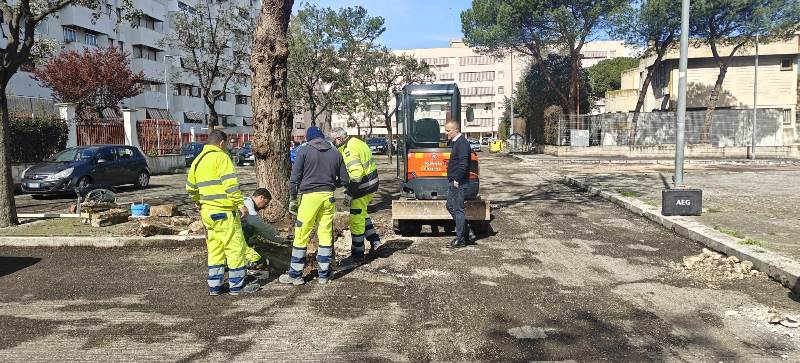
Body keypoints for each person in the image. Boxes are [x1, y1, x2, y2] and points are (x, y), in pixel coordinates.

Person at [186, 129, 261, 296]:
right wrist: (240, 204)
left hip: (208, 213)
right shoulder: (221, 157)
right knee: (234, 248)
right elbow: (230, 185)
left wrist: (200, 201)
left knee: (215, 250)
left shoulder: (197, 160)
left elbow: (190, 188)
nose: (226, 147)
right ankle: (237, 286)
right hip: (225, 212)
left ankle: (215, 287)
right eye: (226, 144)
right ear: (221, 143)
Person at [279, 126, 349, 285]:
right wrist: (331, 183)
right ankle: (324, 275)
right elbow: (345, 180)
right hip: (328, 198)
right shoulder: (335, 152)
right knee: (325, 234)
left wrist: (293, 199)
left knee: (302, 234)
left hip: (309, 198)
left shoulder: (304, 151)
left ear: (309, 138)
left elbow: (294, 178)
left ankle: (295, 275)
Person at [330, 127, 381, 266]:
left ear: (339, 139)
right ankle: (375, 241)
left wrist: (350, 194)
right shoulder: (356, 142)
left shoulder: (348, 149)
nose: (334, 144)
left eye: (333, 141)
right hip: (371, 185)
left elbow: (356, 174)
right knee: (363, 213)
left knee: (356, 219)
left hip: (362, 189)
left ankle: (357, 253)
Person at [241, 188, 286, 274]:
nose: (265, 207)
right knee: (249, 227)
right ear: (261, 197)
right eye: (265, 203)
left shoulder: (247, 203)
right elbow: (256, 224)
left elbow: (260, 229)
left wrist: (279, 240)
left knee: (251, 228)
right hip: (231, 234)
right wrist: (277, 234)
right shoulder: (247, 202)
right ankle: (246, 263)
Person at [444, 120, 472, 249]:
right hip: (454, 181)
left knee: (457, 210)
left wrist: (457, 179)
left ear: (456, 129)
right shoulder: (456, 142)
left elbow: (463, 164)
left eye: (448, 130)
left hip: (458, 182)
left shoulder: (462, 143)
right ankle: (467, 232)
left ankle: (461, 240)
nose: (446, 133)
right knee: (450, 206)